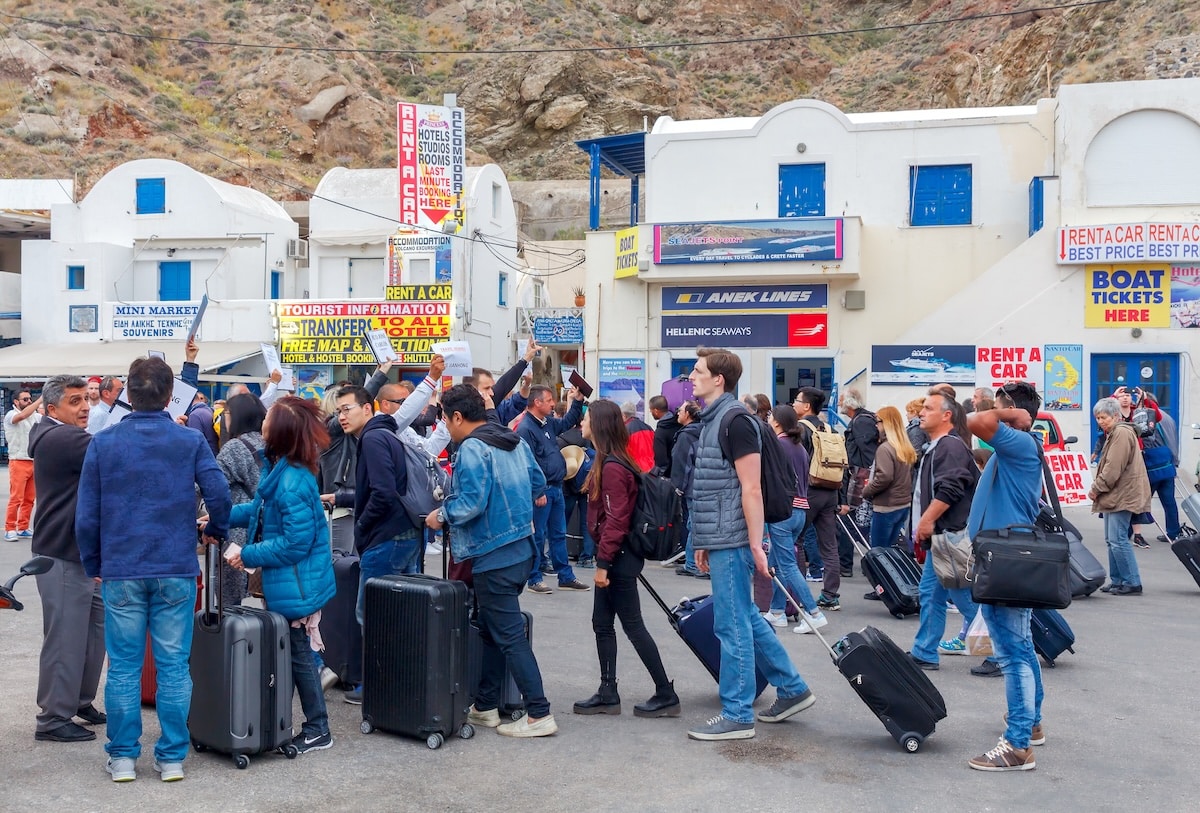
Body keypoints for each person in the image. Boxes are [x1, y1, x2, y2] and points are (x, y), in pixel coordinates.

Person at [76, 356, 232, 783]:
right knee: (174, 666)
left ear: (127, 393)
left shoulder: (102, 443)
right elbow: (219, 495)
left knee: (124, 667)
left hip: (122, 567)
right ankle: (171, 757)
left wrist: (94, 562)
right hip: (175, 566)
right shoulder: (189, 440)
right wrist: (214, 530)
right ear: (169, 396)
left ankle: (123, 757)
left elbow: (86, 515)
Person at [685, 347, 817, 741]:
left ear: (718, 379)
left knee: (732, 625)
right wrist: (705, 540)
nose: (691, 377)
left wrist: (757, 543)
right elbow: (715, 487)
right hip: (724, 535)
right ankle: (792, 688)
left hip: (735, 537)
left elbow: (751, 488)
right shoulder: (717, 418)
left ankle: (738, 713)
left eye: (697, 371)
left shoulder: (734, 421)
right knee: (745, 617)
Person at [425, 384, 557, 738]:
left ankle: (539, 713)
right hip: (520, 548)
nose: (445, 427)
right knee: (492, 629)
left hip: (494, 555)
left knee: (508, 635)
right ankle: (485, 706)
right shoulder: (513, 440)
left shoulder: (473, 447)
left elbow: (470, 502)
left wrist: (441, 515)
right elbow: (538, 482)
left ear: (457, 416)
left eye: (445, 419)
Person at [224, 397, 337, 755]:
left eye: (270, 417)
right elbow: (258, 510)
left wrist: (247, 554)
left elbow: (294, 544)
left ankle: (318, 728)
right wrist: (221, 515)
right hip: (291, 582)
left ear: (280, 431)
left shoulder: (291, 481)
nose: (263, 420)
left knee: (299, 656)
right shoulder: (282, 468)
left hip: (298, 584)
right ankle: (280, 722)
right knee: (291, 655)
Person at [572, 399, 680, 718]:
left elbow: (617, 520)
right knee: (602, 623)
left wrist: (603, 564)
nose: (581, 423)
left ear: (598, 425)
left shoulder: (613, 467)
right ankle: (608, 691)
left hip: (618, 558)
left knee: (633, 626)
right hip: (617, 556)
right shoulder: (611, 461)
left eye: (586, 418)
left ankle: (665, 692)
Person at [965, 381, 1045, 772]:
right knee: (1022, 646)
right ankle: (1030, 724)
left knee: (1012, 653)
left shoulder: (1019, 442)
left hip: (1005, 560)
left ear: (1012, 411)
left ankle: (1017, 745)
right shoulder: (1018, 446)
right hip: (1006, 556)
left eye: (1000, 407)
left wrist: (1011, 414)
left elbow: (974, 421)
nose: (992, 412)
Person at [28, 376, 105, 743]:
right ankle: (53, 718)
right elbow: (113, 450)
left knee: (93, 631)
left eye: (86, 399)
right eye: (75, 401)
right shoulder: (62, 438)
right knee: (65, 637)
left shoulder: (61, 434)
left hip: (80, 552)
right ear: (52, 409)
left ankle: (78, 700)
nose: (85, 407)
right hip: (61, 552)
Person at [907, 390, 982, 672]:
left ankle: (1001, 650)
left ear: (946, 415)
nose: (921, 412)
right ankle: (925, 652)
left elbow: (951, 488)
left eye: (928, 408)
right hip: (943, 537)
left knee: (964, 598)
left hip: (950, 535)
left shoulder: (950, 446)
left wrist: (926, 521)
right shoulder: (939, 446)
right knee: (931, 593)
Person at [758, 405, 828, 635]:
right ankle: (777, 611)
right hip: (800, 510)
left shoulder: (777, 445)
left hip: (782, 510)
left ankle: (813, 613)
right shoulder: (799, 448)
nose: (768, 420)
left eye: (770, 417)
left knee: (786, 564)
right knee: (778, 562)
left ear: (777, 422)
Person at [516, 384, 590, 594]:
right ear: (537, 402)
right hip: (543, 490)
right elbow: (527, 463)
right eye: (549, 400)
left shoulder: (546, 422)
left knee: (558, 534)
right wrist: (537, 491)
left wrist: (577, 401)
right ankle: (534, 578)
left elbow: (566, 422)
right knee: (538, 536)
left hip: (556, 487)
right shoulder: (525, 429)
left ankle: (565, 576)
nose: (552, 404)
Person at [1090, 396, 1150, 595]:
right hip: (1116, 494)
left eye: (1104, 417)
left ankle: (1132, 581)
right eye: (1098, 418)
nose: (1100, 421)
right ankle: (1117, 580)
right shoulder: (1115, 432)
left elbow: (1113, 468)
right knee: (1112, 540)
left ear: (1116, 416)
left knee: (1118, 539)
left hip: (1122, 494)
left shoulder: (1121, 433)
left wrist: (1096, 488)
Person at [214, 393, 268, 611]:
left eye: (226, 413)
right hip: (265, 526)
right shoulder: (267, 441)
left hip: (238, 529)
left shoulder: (234, 447)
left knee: (229, 601)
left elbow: (212, 484)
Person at [793, 387, 841, 608]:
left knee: (797, 541)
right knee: (829, 546)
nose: (793, 404)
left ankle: (799, 595)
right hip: (830, 490)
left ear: (806, 406)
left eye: (797, 400)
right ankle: (830, 595)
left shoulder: (801, 429)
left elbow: (796, 463)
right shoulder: (831, 429)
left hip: (808, 491)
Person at [863, 405, 916, 550]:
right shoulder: (904, 447)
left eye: (878, 421)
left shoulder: (885, 448)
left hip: (886, 505)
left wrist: (867, 491)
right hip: (903, 504)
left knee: (878, 552)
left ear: (886, 423)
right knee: (889, 551)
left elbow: (884, 476)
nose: (876, 425)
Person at [671, 401, 706, 579]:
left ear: (688, 414)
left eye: (681, 410)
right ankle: (691, 562)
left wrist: (678, 486)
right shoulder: (703, 431)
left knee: (694, 524)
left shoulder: (686, 435)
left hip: (692, 486)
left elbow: (682, 463)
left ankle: (693, 564)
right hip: (703, 483)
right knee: (695, 523)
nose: (678, 412)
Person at [4, 389, 41, 540]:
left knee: (29, 498)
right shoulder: (10, 415)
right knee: (16, 498)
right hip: (18, 460)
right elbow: (22, 416)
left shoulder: (35, 416)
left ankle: (23, 527)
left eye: (30, 399)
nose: (29, 401)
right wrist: (40, 401)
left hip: (33, 460)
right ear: (16, 402)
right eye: (25, 399)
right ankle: (10, 528)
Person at [649, 394, 680, 477]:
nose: (650, 412)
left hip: (669, 476)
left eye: (651, 410)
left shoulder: (660, 432)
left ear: (656, 411)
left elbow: (661, 461)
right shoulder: (679, 424)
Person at [622, 401, 656, 472]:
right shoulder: (649, 428)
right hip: (652, 469)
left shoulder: (624, 430)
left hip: (635, 469)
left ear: (624, 415)